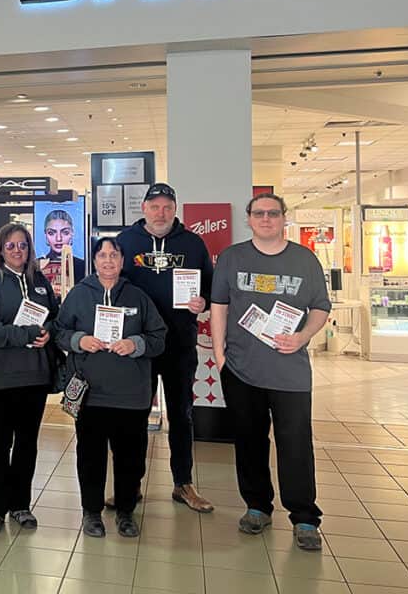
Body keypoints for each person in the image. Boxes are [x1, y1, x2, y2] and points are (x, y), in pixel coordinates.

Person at [210, 193, 331, 552]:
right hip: (242, 370)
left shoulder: (304, 259)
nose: (266, 219)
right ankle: (257, 506)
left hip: (290, 372)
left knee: (295, 443)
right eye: (259, 213)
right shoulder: (233, 258)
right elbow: (219, 307)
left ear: (283, 218)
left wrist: (303, 336)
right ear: (248, 218)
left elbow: (320, 307)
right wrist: (219, 356)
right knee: (249, 442)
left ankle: (305, 516)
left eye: (273, 213)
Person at [55, 237, 166, 538]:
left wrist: (135, 343)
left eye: (113, 255)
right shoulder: (79, 295)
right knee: (90, 456)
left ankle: (126, 511)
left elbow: (159, 337)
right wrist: (79, 340)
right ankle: (91, 511)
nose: (107, 261)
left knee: (130, 456)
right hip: (91, 394)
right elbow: (59, 332)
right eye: (102, 255)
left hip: (131, 395)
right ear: (93, 261)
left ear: (122, 260)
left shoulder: (137, 297)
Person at [115, 182, 214, 513]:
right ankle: (130, 485)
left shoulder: (193, 243)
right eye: (154, 206)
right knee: (134, 417)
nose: (161, 212)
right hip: (138, 346)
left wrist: (203, 302)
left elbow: (210, 289)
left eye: (167, 207)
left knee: (182, 415)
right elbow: (111, 285)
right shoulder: (126, 242)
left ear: (175, 210)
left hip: (180, 344)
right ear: (143, 208)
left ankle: (182, 483)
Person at [0, 223, 60, 536]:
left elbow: (55, 315)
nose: (17, 251)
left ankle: (20, 504)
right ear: (0, 249)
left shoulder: (39, 281)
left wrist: (49, 329)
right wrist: (24, 334)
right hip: (2, 376)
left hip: (35, 375)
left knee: (27, 443)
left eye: (22, 245)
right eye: (10, 246)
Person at [38, 209, 86, 291]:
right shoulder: (36, 265)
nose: (59, 238)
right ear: (45, 235)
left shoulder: (83, 266)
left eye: (65, 232)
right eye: (51, 233)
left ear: (72, 234)